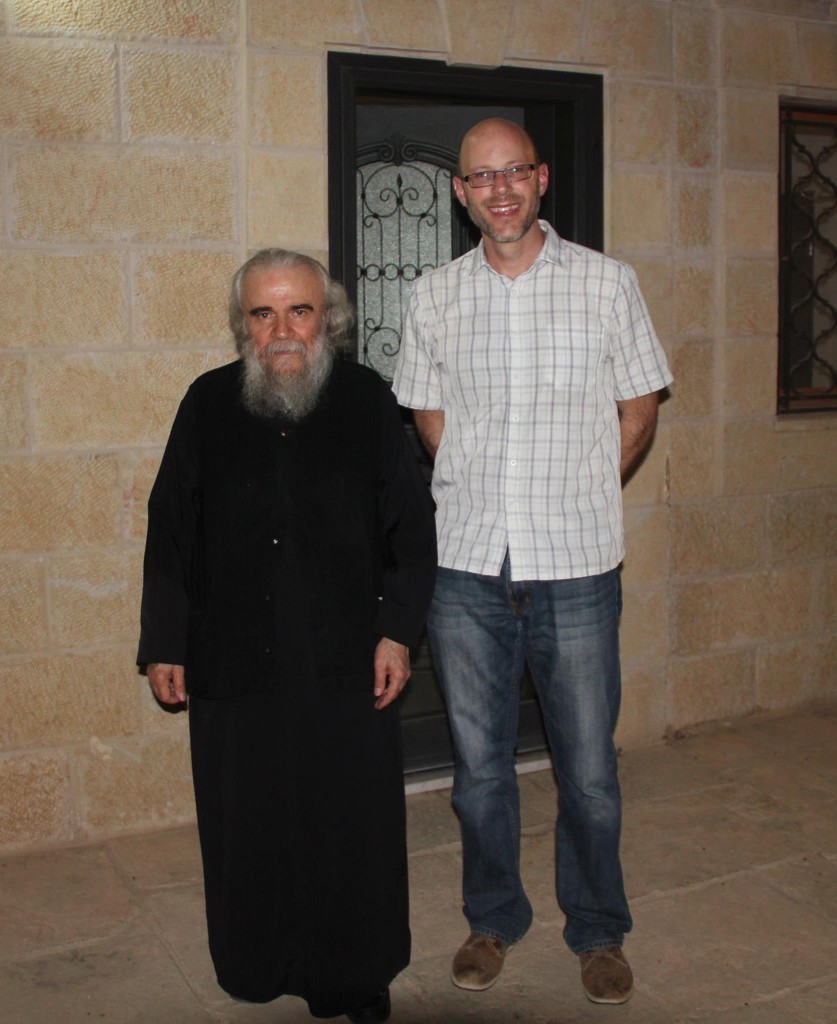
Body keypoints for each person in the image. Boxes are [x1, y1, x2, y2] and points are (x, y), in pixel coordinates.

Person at [393, 119, 672, 1007]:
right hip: (466, 569)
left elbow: (637, 406)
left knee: (588, 770)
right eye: (481, 176)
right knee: (478, 773)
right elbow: (429, 417)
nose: (499, 188)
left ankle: (597, 930)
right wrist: (479, 489)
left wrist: (584, 488)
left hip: (578, 567)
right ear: (459, 192)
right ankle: (492, 917)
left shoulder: (605, 283)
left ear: (541, 179)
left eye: (514, 171)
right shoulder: (435, 296)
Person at [138, 248, 436, 1023]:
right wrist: (165, 641)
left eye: (297, 310)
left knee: (351, 828)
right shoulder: (206, 404)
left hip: (346, 659)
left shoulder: (367, 400)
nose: (282, 330)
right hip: (235, 661)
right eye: (262, 313)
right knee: (251, 823)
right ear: (243, 326)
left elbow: (411, 530)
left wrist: (397, 633)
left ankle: (356, 973)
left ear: (326, 317)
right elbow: (169, 529)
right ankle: (258, 963)